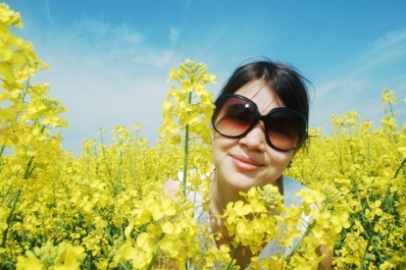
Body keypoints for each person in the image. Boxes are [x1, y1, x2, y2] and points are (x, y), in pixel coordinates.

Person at [165, 59, 332, 269]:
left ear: (295, 151)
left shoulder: (310, 220)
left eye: (281, 129)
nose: (253, 142)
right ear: (211, 125)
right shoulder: (175, 199)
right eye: (238, 117)